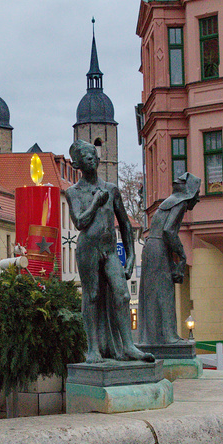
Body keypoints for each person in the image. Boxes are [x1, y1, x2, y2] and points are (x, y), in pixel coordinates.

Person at [66, 139, 154, 364]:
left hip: (109, 249)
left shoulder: (111, 189)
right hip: (88, 250)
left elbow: (125, 224)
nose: (92, 158)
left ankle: (128, 346)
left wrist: (131, 255)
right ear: (77, 164)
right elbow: (79, 222)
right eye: (86, 156)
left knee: (122, 294)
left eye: (94, 154)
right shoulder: (73, 192)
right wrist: (95, 202)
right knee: (92, 296)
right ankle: (93, 348)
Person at [139, 172, 201, 347]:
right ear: (190, 193)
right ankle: (168, 337)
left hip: (151, 247)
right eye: (197, 193)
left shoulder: (169, 202)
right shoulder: (180, 203)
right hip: (159, 248)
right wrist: (181, 255)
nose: (198, 199)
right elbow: (168, 231)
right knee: (165, 292)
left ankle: (151, 338)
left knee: (152, 294)